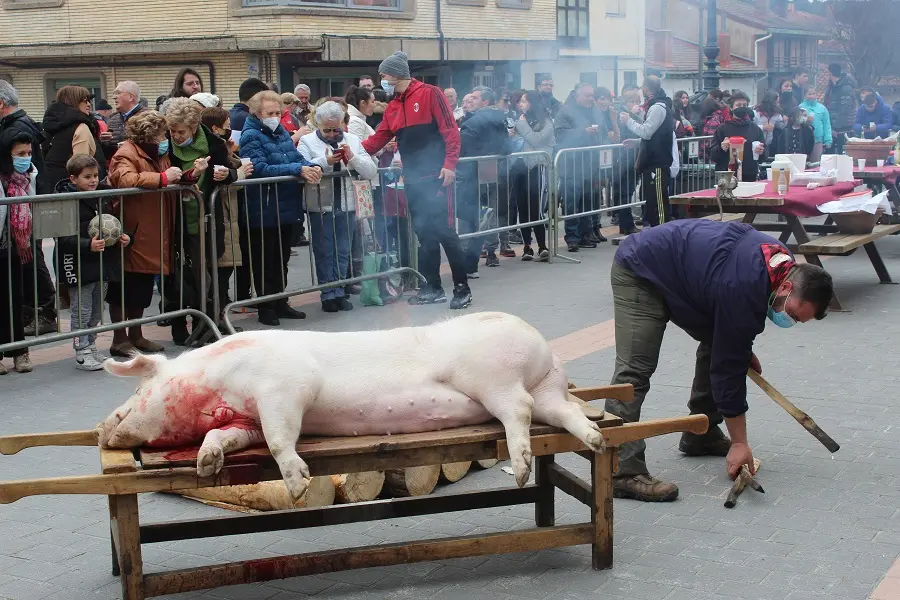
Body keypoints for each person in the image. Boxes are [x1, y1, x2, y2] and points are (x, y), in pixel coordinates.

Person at [607, 219, 834, 501]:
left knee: (722, 348)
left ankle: (701, 433)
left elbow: (730, 338)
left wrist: (737, 348)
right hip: (641, 269)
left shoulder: (778, 261)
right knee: (635, 371)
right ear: (787, 286)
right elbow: (728, 369)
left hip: (683, 274)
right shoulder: (747, 285)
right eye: (795, 313)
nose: (789, 320)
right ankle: (620, 471)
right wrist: (740, 442)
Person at [362, 51, 472, 309]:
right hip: (412, 178)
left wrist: (450, 165)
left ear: (397, 73)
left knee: (445, 231)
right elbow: (377, 139)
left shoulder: (430, 93)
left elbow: (450, 130)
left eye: (384, 75)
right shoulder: (393, 106)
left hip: (436, 175)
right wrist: (349, 151)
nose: (382, 80)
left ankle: (462, 287)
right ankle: (432, 287)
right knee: (424, 233)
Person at [239, 90, 322, 326]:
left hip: (285, 204)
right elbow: (260, 168)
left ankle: (280, 302)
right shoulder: (251, 136)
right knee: (265, 259)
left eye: (278, 112)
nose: (275, 116)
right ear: (257, 113)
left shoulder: (281, 132)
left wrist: (311, 166)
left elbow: (295, 157)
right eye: (270, 113)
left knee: (282, 258)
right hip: (263, 206)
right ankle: (266, 307)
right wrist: (297, 170)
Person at [159, 97, 237, 345]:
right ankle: (178, 326)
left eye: (180, 131)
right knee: (175, 276)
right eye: (172, 131)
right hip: (174, 218)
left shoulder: (214, 143)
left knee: (205, 275)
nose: (176, 136)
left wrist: (226, 174)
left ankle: (205, 325)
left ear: (193, 128)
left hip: (206, 218)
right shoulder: (165, 146)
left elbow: (230, 171)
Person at [107, 110, 180, 357]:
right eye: (161, 134)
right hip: (132, 230)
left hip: (152, 228)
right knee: (123, 288)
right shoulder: (126, 153)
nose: (164, 138)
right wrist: (161, 178)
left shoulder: (155, 153)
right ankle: (119, 338)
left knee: (142, 286)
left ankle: (136, 335)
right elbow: (125, 180)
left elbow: (167, 178)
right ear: (148, 135)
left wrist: (186, 177)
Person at [298, 101, 377, 313]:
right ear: (317, 124)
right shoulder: (306, 140)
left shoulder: (353, 139)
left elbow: (370, 170)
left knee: (343, 251)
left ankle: (340, 290)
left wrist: (352, 157)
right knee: (324, 252)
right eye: (327, 129)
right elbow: (301, 166)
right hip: (320, 205)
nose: (333, 134)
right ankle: (327, 293)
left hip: (348, 204)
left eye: (336, 129)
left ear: (343, 123)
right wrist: (325, 161)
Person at [56, 155, 131, 371]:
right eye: (87, 177)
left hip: (102, 266)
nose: (92, 180)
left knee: (97, 311)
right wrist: (87, 245)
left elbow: (112, 225)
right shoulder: (67, 202)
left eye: (96, 176)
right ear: (73, 178)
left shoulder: (103, 197)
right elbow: (63, 239)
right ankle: (81, 352)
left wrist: (122, 237)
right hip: (79, 267)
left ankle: (91, 345)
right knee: (83, 311)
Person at [200, 106, 253, 329]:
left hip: (228, 215)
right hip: (220, 213)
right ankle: (216, 318)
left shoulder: (223, 147)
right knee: (219, 270)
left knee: (225, 268)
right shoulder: (212, 147)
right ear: (215, 128)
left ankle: (220, 315)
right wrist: (239, 172)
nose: (230, 129)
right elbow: (221, 178)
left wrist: (232, 156)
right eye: (227, 125)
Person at [457, 86, 510, 273]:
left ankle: (468, 260)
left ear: (485, 102)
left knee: (472, 216)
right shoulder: (500, 118)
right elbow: (507, 146)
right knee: (486, 215)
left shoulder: (474, 121)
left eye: (475, 98)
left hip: (472, 173)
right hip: (493, 172)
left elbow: (463, 148)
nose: (471, 100)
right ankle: (484, 256)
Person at [555, 83, 608, 251]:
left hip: (591, 164)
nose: (591, 99)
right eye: (587, 96)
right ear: (577, 96)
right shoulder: (565, 111)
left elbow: (604, 132)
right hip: (571, 165)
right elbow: (560, 135)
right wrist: (583, 132)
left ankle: (586, 235)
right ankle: (572, 238)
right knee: (571, 203)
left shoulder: (596, 111)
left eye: (592, 95)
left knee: (588, 201)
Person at [0, 128, 36, 374]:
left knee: (16, 298)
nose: (25, 157)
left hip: (15, 247)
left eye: (29, 152)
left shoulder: (28, 175)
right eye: (19, 153)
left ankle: (19, 352)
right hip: (2, 243)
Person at [620, 76, 675, 227]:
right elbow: (653, 135)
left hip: (657, 162)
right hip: (653, 161)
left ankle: (663, 233)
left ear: (646, 88)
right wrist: (637, 143)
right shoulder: (657, 106)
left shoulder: (657, 107)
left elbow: (647, 132)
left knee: (658, 204)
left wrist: (629, 121)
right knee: (652, 202)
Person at [513, 90, 554, 262]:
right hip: (520, 166)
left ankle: (542, 246)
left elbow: (536, 139)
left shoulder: (547, 121)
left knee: (535, 208)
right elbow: (517, 141)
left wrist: (521, 127)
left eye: (524, 100)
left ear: (533, 103)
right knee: (522, 208)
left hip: (538, 166)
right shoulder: (519, 120)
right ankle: (527, 247)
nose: (521, 104)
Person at [710, 91, 765, 182]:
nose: (742, 108)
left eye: (744, 105)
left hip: (749, 174)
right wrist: (722, 147)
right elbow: (712, 155)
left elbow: (764, 152)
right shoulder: (722, 128)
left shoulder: (755, 128)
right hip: (727, 175)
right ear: (731, 107)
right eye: (738, 105)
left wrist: (761, 151)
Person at [103, 81, 145, 156]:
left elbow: (159, 148)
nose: (114, 97)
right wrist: (104, 143)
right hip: (119, 165)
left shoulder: (148, 117)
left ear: (130, 97)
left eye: (118, 93)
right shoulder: (112, 120)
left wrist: (130, 147)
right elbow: (108, 154)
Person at [824, 63, 858, 154]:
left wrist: (836, 127)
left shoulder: (845, 88)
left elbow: (845, 110)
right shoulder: (831, 87)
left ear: (830, 73)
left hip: (842, 128)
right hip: (831, 126)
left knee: (841, 154)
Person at [799, 87, 832, 162]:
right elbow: (797, 122)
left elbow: (827, 125)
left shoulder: (822, 108)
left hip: (818, 140)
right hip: (804, 140)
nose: (811, 96)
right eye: (809, 94)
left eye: (813, 94)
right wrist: (806, 120)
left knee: (815, 163)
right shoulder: (800, 107)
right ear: (805, 95)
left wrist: (828, 140)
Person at [753, 90, 784, 161]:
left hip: (770, 144)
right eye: (776, 102)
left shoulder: (777, 114)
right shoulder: (756, 113)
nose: (777, 104)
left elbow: (781, 126)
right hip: (757, 144)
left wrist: (785, 120)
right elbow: (750, 127)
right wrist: (763, 127)